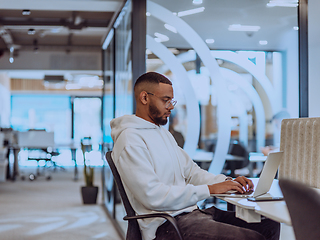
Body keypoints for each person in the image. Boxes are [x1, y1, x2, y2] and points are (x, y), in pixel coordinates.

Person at [110, 72, 280, 240]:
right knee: (248, 237)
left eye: (171, 100)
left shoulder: (162, 133)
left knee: (269, 225)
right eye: (165, 100)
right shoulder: (129, 140)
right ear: (144, 98)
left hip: (191, 213)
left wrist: (226, 182)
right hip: (166, 226)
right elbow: (153, 196)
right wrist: (210, 190)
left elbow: (192, 172)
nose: (171, 106)